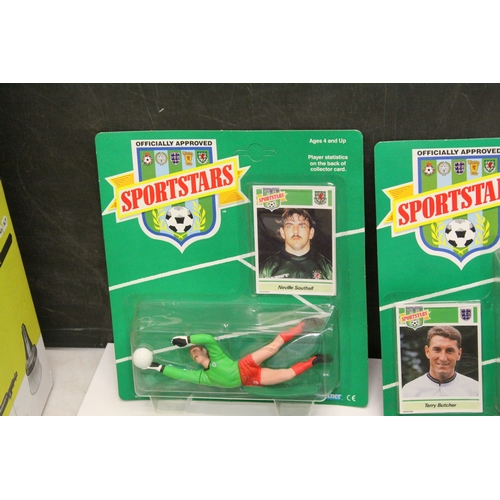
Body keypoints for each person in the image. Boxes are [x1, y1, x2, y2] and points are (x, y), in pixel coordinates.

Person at [136, 318, 332, 388]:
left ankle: (302, 326)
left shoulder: (217, 355)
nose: (193, 354)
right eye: (191, 354)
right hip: (250, 379)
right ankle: (314, 361)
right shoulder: (204, 377)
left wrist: (188, 339)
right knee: (286, 375)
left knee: (273, 347)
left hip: (245, 365)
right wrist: (158, 367)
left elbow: (209, 339)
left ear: (204, 351)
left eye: (196, 350)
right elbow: (181, 374)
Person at [402, 325, 479, 398]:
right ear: (427, 352)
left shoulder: (475, 390)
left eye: (449, 351)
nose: (443, 358)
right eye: (437, 350)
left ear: (459, 354)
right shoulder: (409, 391)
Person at [259, 208, 332, 280]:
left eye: (302, 226)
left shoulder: (328, 268)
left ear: (311, 233)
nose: (296, 231)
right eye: (289, 226)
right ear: (282, 233)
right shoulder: (267, 268)